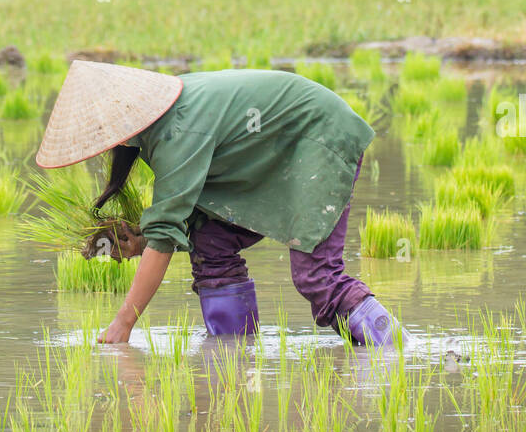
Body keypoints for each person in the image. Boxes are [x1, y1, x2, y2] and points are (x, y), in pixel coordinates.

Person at [36, 60, 405, 349]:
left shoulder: (178, 128)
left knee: (317, 276)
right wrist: (141, 241)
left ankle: (398, 352)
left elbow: (166, 234)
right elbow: (181, 214)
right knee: (211, 245)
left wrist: (123, 323)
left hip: (319, 135)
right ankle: (234, 356)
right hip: (272, 154)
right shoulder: (154, 129)